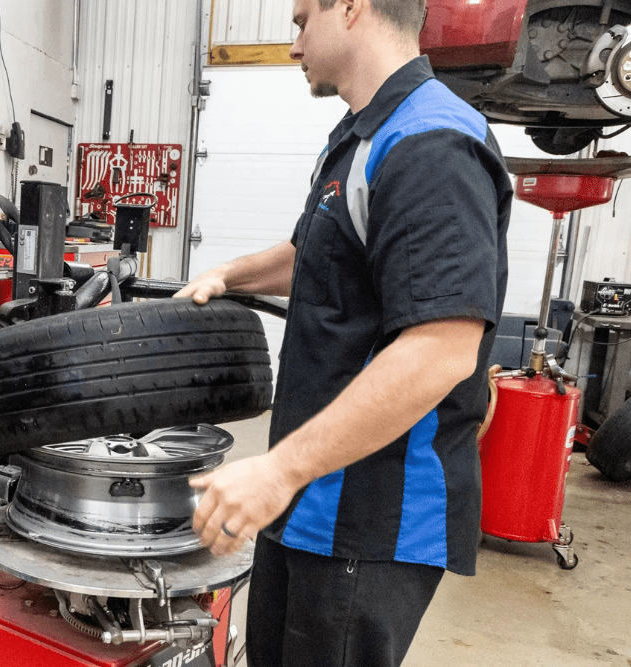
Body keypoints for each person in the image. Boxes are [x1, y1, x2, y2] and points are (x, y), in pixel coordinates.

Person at [176, 1, 513, 665]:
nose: (293, 40)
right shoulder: (360, 136)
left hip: (369, 519)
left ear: (353, 7)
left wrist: (278, 470)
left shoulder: (431, 143)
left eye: (302, 19)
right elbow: (314, 252)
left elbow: (441, 349)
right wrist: (227, 271)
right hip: (306, 501)